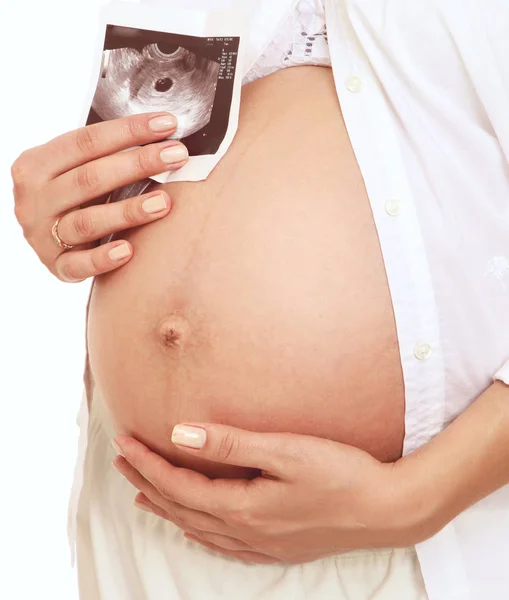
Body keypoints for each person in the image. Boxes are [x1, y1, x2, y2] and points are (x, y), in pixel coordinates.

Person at [11, 1, 509, 599]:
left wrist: (417, 499)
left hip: (413, 544)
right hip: (148, 528)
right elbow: (142, 144)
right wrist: (67, 212)